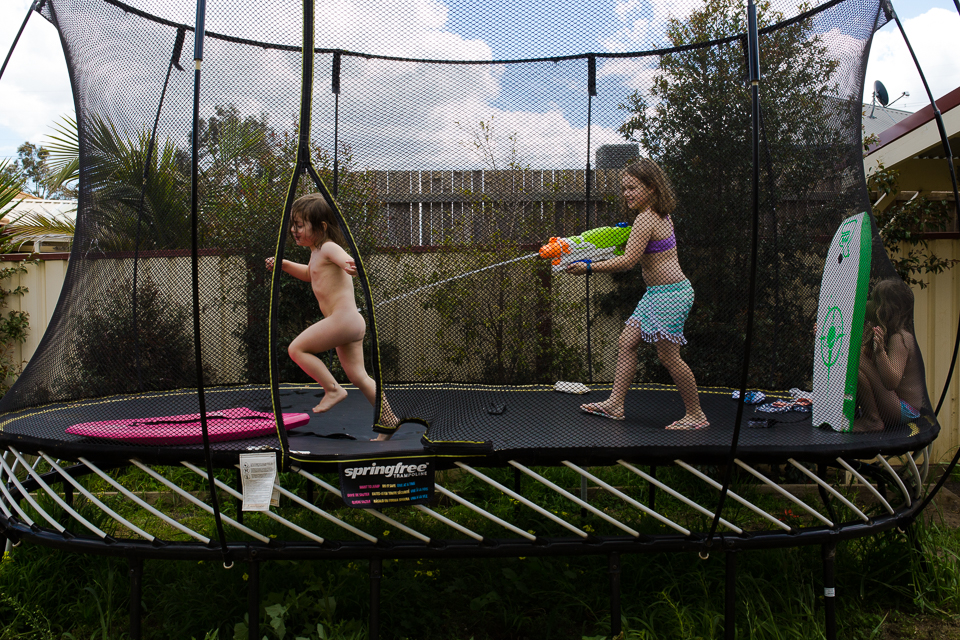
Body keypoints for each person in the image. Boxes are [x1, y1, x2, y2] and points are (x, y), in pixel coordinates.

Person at [570, 159, 707, 430]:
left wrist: (588, 267)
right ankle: (615, 404)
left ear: (652, 188)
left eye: (633, 188)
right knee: (627, 342)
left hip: (670, 295)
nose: (626, 193)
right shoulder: (658, 215)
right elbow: (641, 251)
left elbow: (627, 262)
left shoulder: (645, 219)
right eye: (624, 188)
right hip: (657, 293)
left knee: (669, 357)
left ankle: (696, 415)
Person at [266, 193, 398, 441]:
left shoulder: (327, 247)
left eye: (300, 225)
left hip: (343, 319)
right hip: (349, 323)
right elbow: (309, 273)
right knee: (359, 376)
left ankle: (333, 389)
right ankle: (389, 421)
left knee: (296, 350)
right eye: (293, 224)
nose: (294, 230)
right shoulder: (316, 252)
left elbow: (344, 259)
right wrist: (284, 264)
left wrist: (351, 266)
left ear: (321, 226)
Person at [854, 278, 924, 432]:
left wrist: (880, 353)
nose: (867, 303)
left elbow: (891, 383)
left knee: (853, 356)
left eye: (872, 300)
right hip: (890, 405)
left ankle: (872, 421)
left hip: (904, 411)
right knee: (855, 367)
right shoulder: (878, 331)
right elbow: (864, 363)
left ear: (885, 309)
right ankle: (867, 417)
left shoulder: (900, 338)